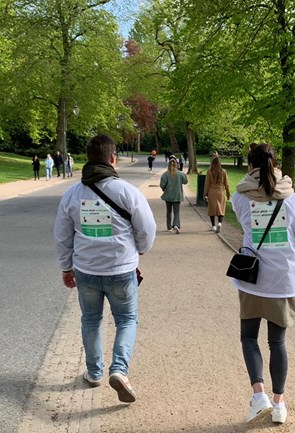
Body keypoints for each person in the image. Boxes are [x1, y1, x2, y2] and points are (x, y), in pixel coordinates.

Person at [54, 135, 156, 403]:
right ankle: (120, 370)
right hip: (121, 269)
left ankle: (94, 372)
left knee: (90, 319)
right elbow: (147, 230)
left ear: (88, 158)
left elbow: (62, 236)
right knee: (126, 320)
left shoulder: (73, 195)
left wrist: (67, 268)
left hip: (86, 270)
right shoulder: (127, 191)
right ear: (113, 158)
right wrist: (140, 250)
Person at [231, 142, 295, 425]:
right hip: (283, 281)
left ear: (249, 165)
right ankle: (279, 403)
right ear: (275, 163)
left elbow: (246, 228)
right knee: (277, 341)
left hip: (253, 278)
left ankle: (259, 396)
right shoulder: (292, 200)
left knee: (248, 337)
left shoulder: (241, 198)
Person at [159, 158, 188, 233]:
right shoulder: (180, 174)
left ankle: (169, 227)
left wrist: (164, 189)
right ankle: (176, 225)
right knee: (176, 212)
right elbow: (185, 181)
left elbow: (162, 185)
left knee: (168, 212)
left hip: (168, 195)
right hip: (177, 195)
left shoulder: (165, 174)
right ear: (177, 165)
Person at [204, 157, 230, 233]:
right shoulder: (223, 171)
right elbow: (226, 184)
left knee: (211, 209)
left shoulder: (209, 172)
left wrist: (205, 194)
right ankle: (219, 223)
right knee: (221, 209)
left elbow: (207, 184)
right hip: (220, 192)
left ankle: (213, 226)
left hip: (212, 192)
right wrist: (228, 193)